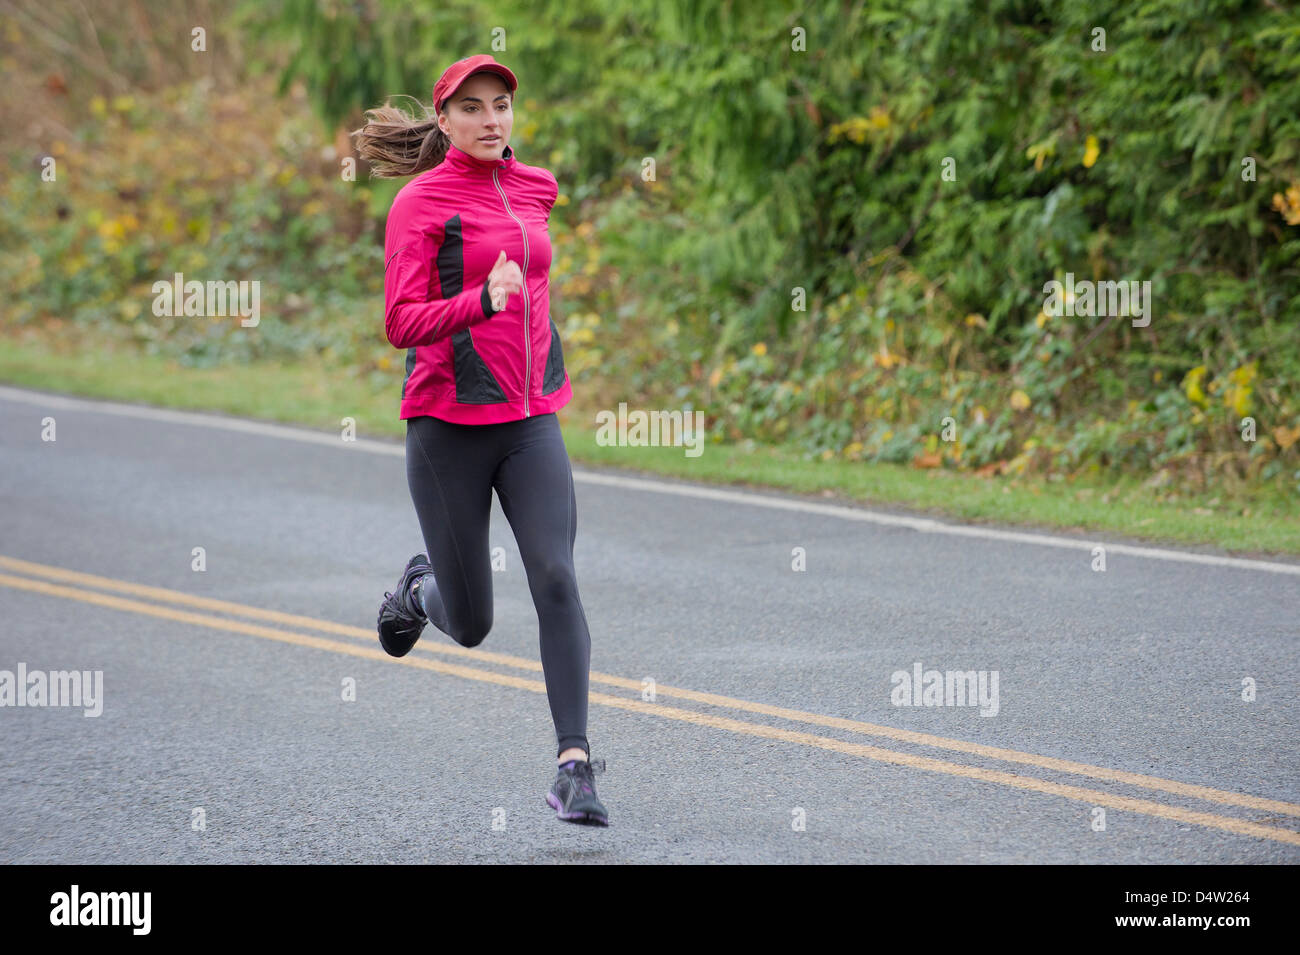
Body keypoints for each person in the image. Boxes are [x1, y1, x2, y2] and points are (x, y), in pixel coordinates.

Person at [351, 54, 607, 826]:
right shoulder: (418, 204)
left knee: (557, 577)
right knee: (471, 624)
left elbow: (533, 286)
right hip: (447, 428)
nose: (492, 119)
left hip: (531, 421)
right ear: (446, 119)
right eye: (473, 108)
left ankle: (575, 765)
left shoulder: (538, 187)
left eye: (501, 105)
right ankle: (418, 592)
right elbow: (400, 322)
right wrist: (476, 302)